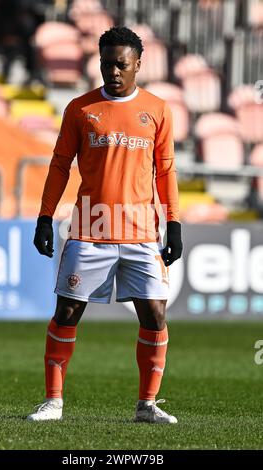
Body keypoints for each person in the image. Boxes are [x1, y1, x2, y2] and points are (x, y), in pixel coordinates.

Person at [27, 26, 183, 423]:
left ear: (137, 66)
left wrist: (174, 222)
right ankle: (53, 401)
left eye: (121, 64)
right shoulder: (80, 108)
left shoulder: (159, 110)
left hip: (140, 232)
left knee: (154, 314)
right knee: (67, 311)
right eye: (106, 63)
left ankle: (147, 405)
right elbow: (60, 165)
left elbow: (165, 170)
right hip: (89, 229)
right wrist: (45, 216)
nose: (112, 71)